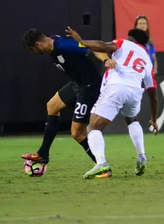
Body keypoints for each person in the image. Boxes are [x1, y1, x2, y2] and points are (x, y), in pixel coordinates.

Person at [63, 26, 159, 179]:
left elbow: (103, 46)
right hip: (135, 92)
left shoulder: (124, 43)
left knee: (93, 127)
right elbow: (153, 95)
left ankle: (101, 162)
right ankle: (142, 156)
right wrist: (154, 119)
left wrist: (81, 41)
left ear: (131, 39)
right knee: (131, 119)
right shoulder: (147, 61)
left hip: (117, 87)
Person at [20, 28, 112, 175]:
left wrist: (106, 59)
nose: (33, 53)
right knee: (52, 106)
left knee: (77, 133)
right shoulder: (53, 41)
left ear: (37, 44)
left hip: (89, 86)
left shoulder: (64, 46)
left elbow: (91, 47)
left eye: (32, 49)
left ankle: (103, 166)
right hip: (77, 84)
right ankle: (43, 154)